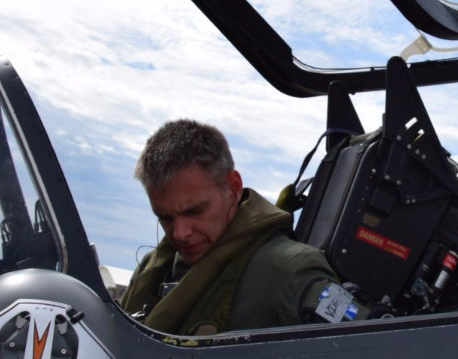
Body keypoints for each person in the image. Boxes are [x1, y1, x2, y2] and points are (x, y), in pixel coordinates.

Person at [120, 119, 342, 335]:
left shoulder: (292, 271)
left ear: (233, 188)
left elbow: (356, 348)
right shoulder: (152, 269)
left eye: (195, 211)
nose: (180, 234)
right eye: (165, 218)